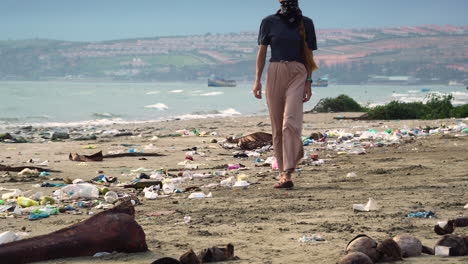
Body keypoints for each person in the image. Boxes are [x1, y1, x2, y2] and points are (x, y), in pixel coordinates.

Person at [253, 0, 318, 188]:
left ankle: (289, 169)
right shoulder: (269, 22)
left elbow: (309, 54)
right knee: (276, 126)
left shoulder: (306, 22)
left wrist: (308, 81)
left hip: (298, 72)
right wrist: (257, 80)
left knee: (290, 122)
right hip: (274, 71)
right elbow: (262, 52)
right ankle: (283, 174)